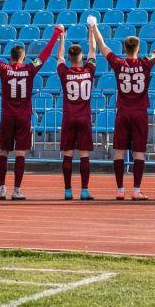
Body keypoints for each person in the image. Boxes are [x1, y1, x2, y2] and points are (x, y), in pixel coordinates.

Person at [91, 15, 155, 200]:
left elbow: (102, 45)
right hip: (139, 113)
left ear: (124, 48)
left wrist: (94, 26)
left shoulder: (119, 63)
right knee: (139, 153)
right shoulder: (145, 63)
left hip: (123, 112)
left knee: (119, 151)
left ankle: (120, 189)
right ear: (138, 49)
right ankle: (136, 190)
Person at [0, 25, 62, 200]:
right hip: (23, 117)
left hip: (7, 116)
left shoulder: (4, 69)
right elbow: (43, 57)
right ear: (23, 57)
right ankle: (17, 189)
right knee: (20, 153)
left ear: (11, 57)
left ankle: (2, 188)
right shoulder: (29, 68)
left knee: (3, 152)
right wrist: (55, 36)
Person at [58, 26, 97, 200]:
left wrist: (62, 39)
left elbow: (58, 57)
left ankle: (67, 190)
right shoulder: (89, 70)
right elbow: (93, 51)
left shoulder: (65, 72)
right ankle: (84, 190)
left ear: (69, 58)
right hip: (84, 118)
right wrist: (91, 32)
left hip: (69, 116)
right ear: (81, 58)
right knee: (84, 154)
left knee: (67, 153)